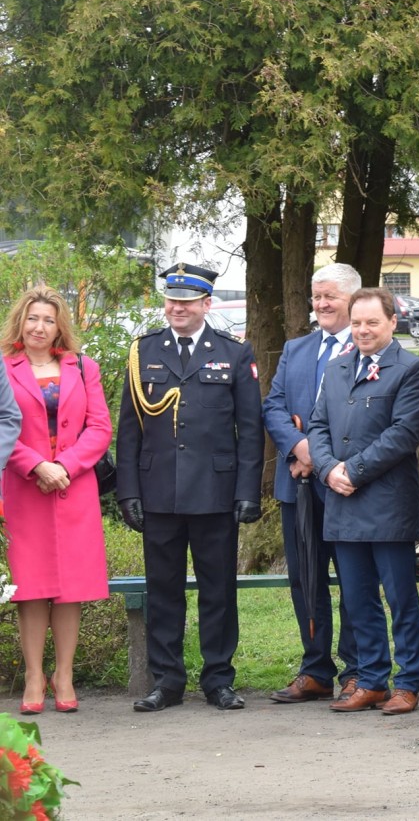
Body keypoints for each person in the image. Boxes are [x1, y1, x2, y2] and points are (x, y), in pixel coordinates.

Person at [116, 262, 264, 712]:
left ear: (206, 304)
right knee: (164, 589)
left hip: (216, 491)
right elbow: (128, 430)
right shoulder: (144, 352)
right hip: (158, 488)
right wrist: (128, 491)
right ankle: (168, 681)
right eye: (171, 300)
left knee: (218, 589)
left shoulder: (234, 352)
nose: (177, 308)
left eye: (186, 301)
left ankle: (218, 678)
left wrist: (247, 491)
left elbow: (250, 429)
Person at [309, 287, 419, 714]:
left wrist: (352, 471)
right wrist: (327, 470)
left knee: (399, 598)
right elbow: (318, 425)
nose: (362, 330)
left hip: (387, 502)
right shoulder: (338, 367)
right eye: (356, 322)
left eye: (372, 322)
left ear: (393, 322)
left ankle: (409, 682)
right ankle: (373, 680)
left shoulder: (411, 369)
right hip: (341, 500)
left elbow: (403, 434)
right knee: (358, 598)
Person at [261, 262, 361, 704]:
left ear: (353, 302)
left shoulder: (366, 348)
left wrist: (319, 461)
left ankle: (359, 670)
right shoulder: (296, 349)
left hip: (347, 485)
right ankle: (316, 668)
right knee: (305, 579)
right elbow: (274, 407)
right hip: (298, 486)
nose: (321, 304)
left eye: (330, 297)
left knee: (355, 580)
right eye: (316, 296)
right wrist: (299, 449)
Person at [3, 289, 90, 714]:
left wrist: (66, 466)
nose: (39, 327)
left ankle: (65, 675)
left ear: (60, 327)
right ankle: (36, 675)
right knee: (32, 585)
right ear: (20, 321)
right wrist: (37, 465)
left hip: (74, 488)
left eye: (48, 320)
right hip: (24, 488)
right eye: (33, 318)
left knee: (70, 587)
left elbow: (100, 428)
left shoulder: (82, 367)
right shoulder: (3, 368)